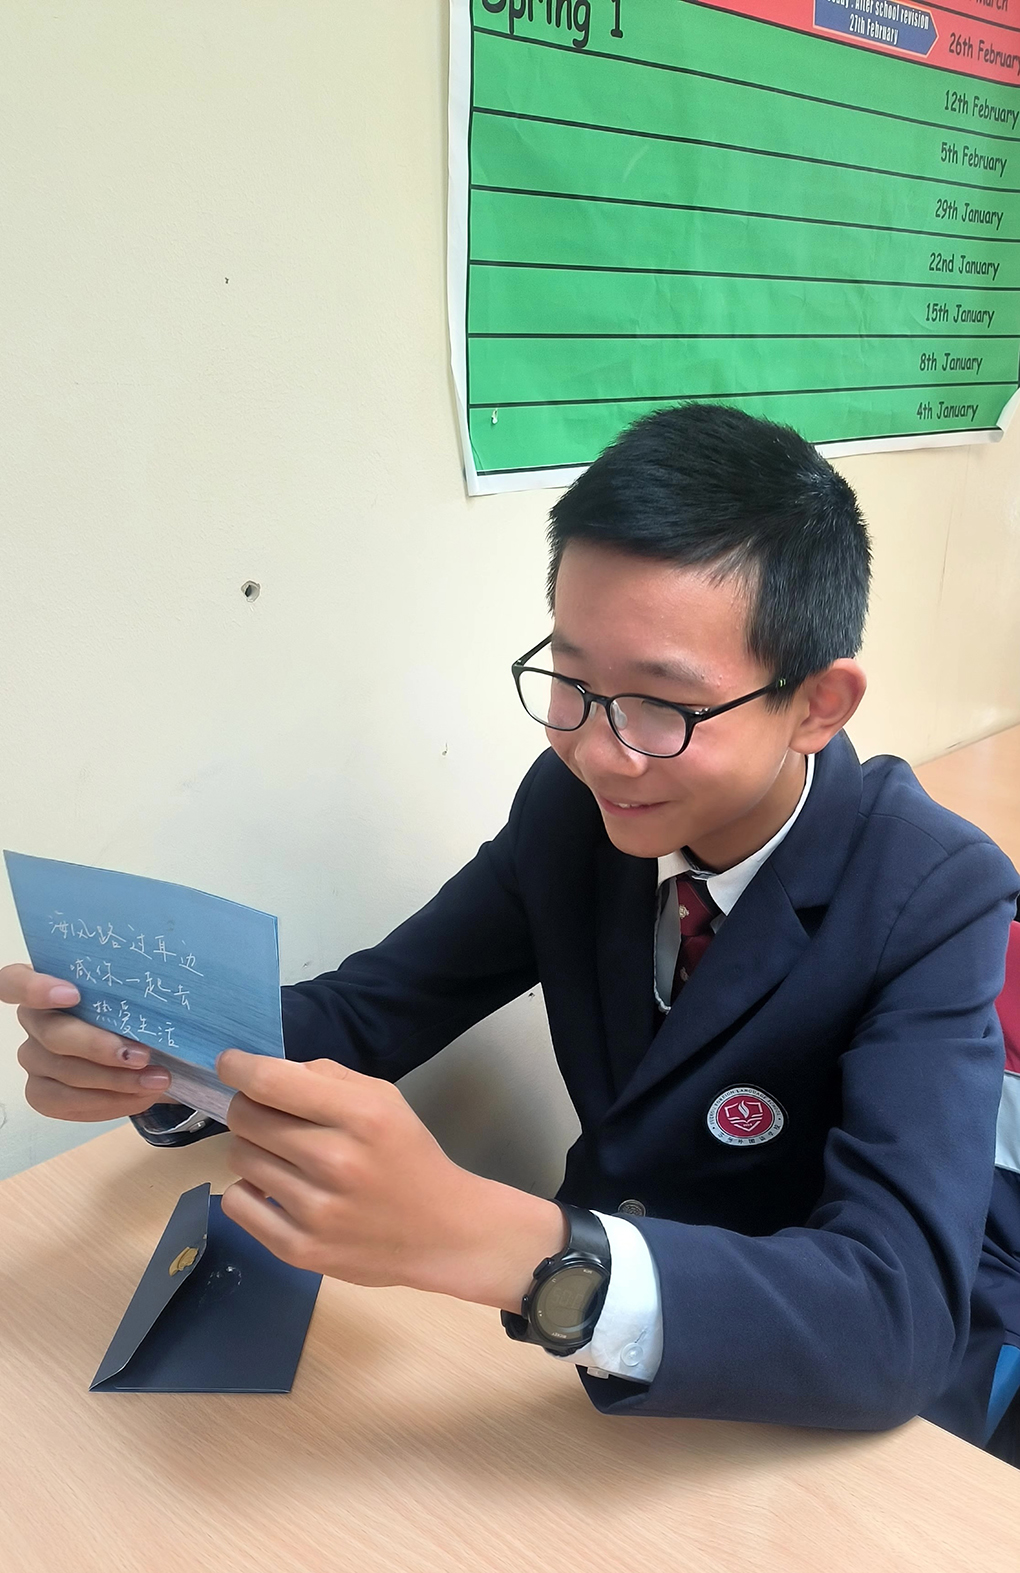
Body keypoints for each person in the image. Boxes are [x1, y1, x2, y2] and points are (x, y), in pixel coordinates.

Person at [4, 404, 1019, 1452]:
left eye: (663, 706)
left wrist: (509, 1246)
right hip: (589, 1380)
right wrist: (156, 1052)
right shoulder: (574, 809)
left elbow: (897, 1314)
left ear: (817, 705)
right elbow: (376, 1007)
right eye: (573, 682)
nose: (600, 749)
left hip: (816, 1407)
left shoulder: (934, 893)